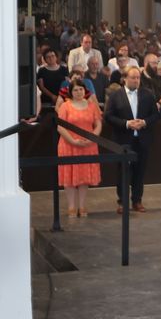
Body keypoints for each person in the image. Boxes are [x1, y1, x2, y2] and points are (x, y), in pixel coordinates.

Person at [104, 67, 160, 214]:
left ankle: (137, 201)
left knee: (140, 172)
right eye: (133, 77)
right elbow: (108, 116)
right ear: (125, 79)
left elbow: (155, 115)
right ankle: (122, 202)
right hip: (123, 140)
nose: (136, 80)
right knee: (123, 172)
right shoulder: (116, 95)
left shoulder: (147, 95)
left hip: (142, 140)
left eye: (138, 78)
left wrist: (145, 122)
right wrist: (127, 123)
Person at [57, 80, 103, 217]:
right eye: (75, 90)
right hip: (68, 144)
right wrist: (73, 141)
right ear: (70, 92)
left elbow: (98, 124)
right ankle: (71, 206)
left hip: (88, 145)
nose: (79, 92)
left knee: (84, 177)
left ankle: (82, 206)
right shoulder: (65, 106)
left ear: (85, 90)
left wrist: (91, 139)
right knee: (69, 177)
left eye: (81, 89)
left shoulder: (92, 106)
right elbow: (60, 126)